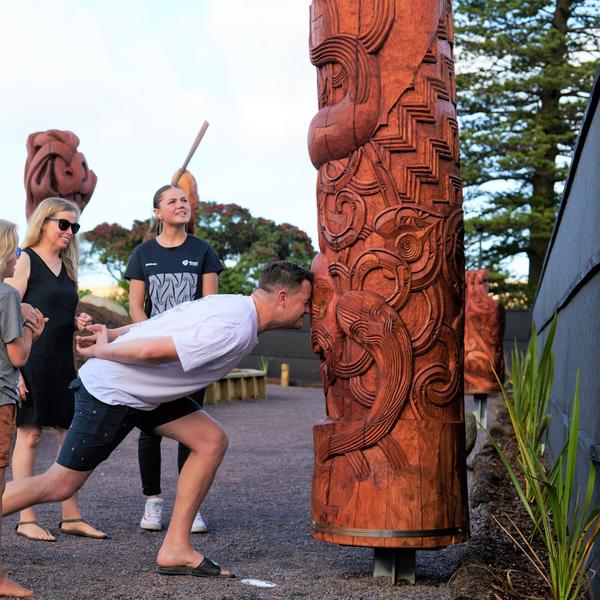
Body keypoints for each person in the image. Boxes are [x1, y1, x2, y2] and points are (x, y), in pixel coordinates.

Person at [1, 260, 312, 577]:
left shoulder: (233, 304)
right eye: (306, 302)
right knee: (59, 484)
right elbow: (154, 350)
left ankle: (176, 548)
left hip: (145, 392)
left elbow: (160, 323)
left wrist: (112, 333)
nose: (308, 311)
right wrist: (105, 351)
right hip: (113, 390)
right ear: (283, 297)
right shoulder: (233, 327)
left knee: (210, 440)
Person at [6, 198, 106, 541]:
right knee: (30, 435)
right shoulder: (25, 260)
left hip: (63, 362)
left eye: (74, 227)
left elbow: (57, 307)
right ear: (44, 222)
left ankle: (71, 515)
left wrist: (76, 321)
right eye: (63, 224)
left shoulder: (68, 265)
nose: (69, 232)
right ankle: (26, 517)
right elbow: (8, 308)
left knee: (70, 437)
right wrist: (12, 369)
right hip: (30, 359)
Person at [125, 184, 222, 534]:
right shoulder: (142, 254)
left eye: (184, 200)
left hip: (190, 355)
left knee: (190, 430)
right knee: (149, 430)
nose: (182, 205)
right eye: (173, 201)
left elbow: (209, 305)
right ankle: (152, 502)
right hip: (154, 354)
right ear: (158, 212)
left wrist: (190, 343)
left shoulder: (203, 252)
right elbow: (136, 306)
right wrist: (152, 339)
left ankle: (189, 506)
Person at [0, 220, 46, 597]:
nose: (19, 257)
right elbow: (17, 355)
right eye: (15, 250)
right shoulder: (6, 297)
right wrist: (32, 328)